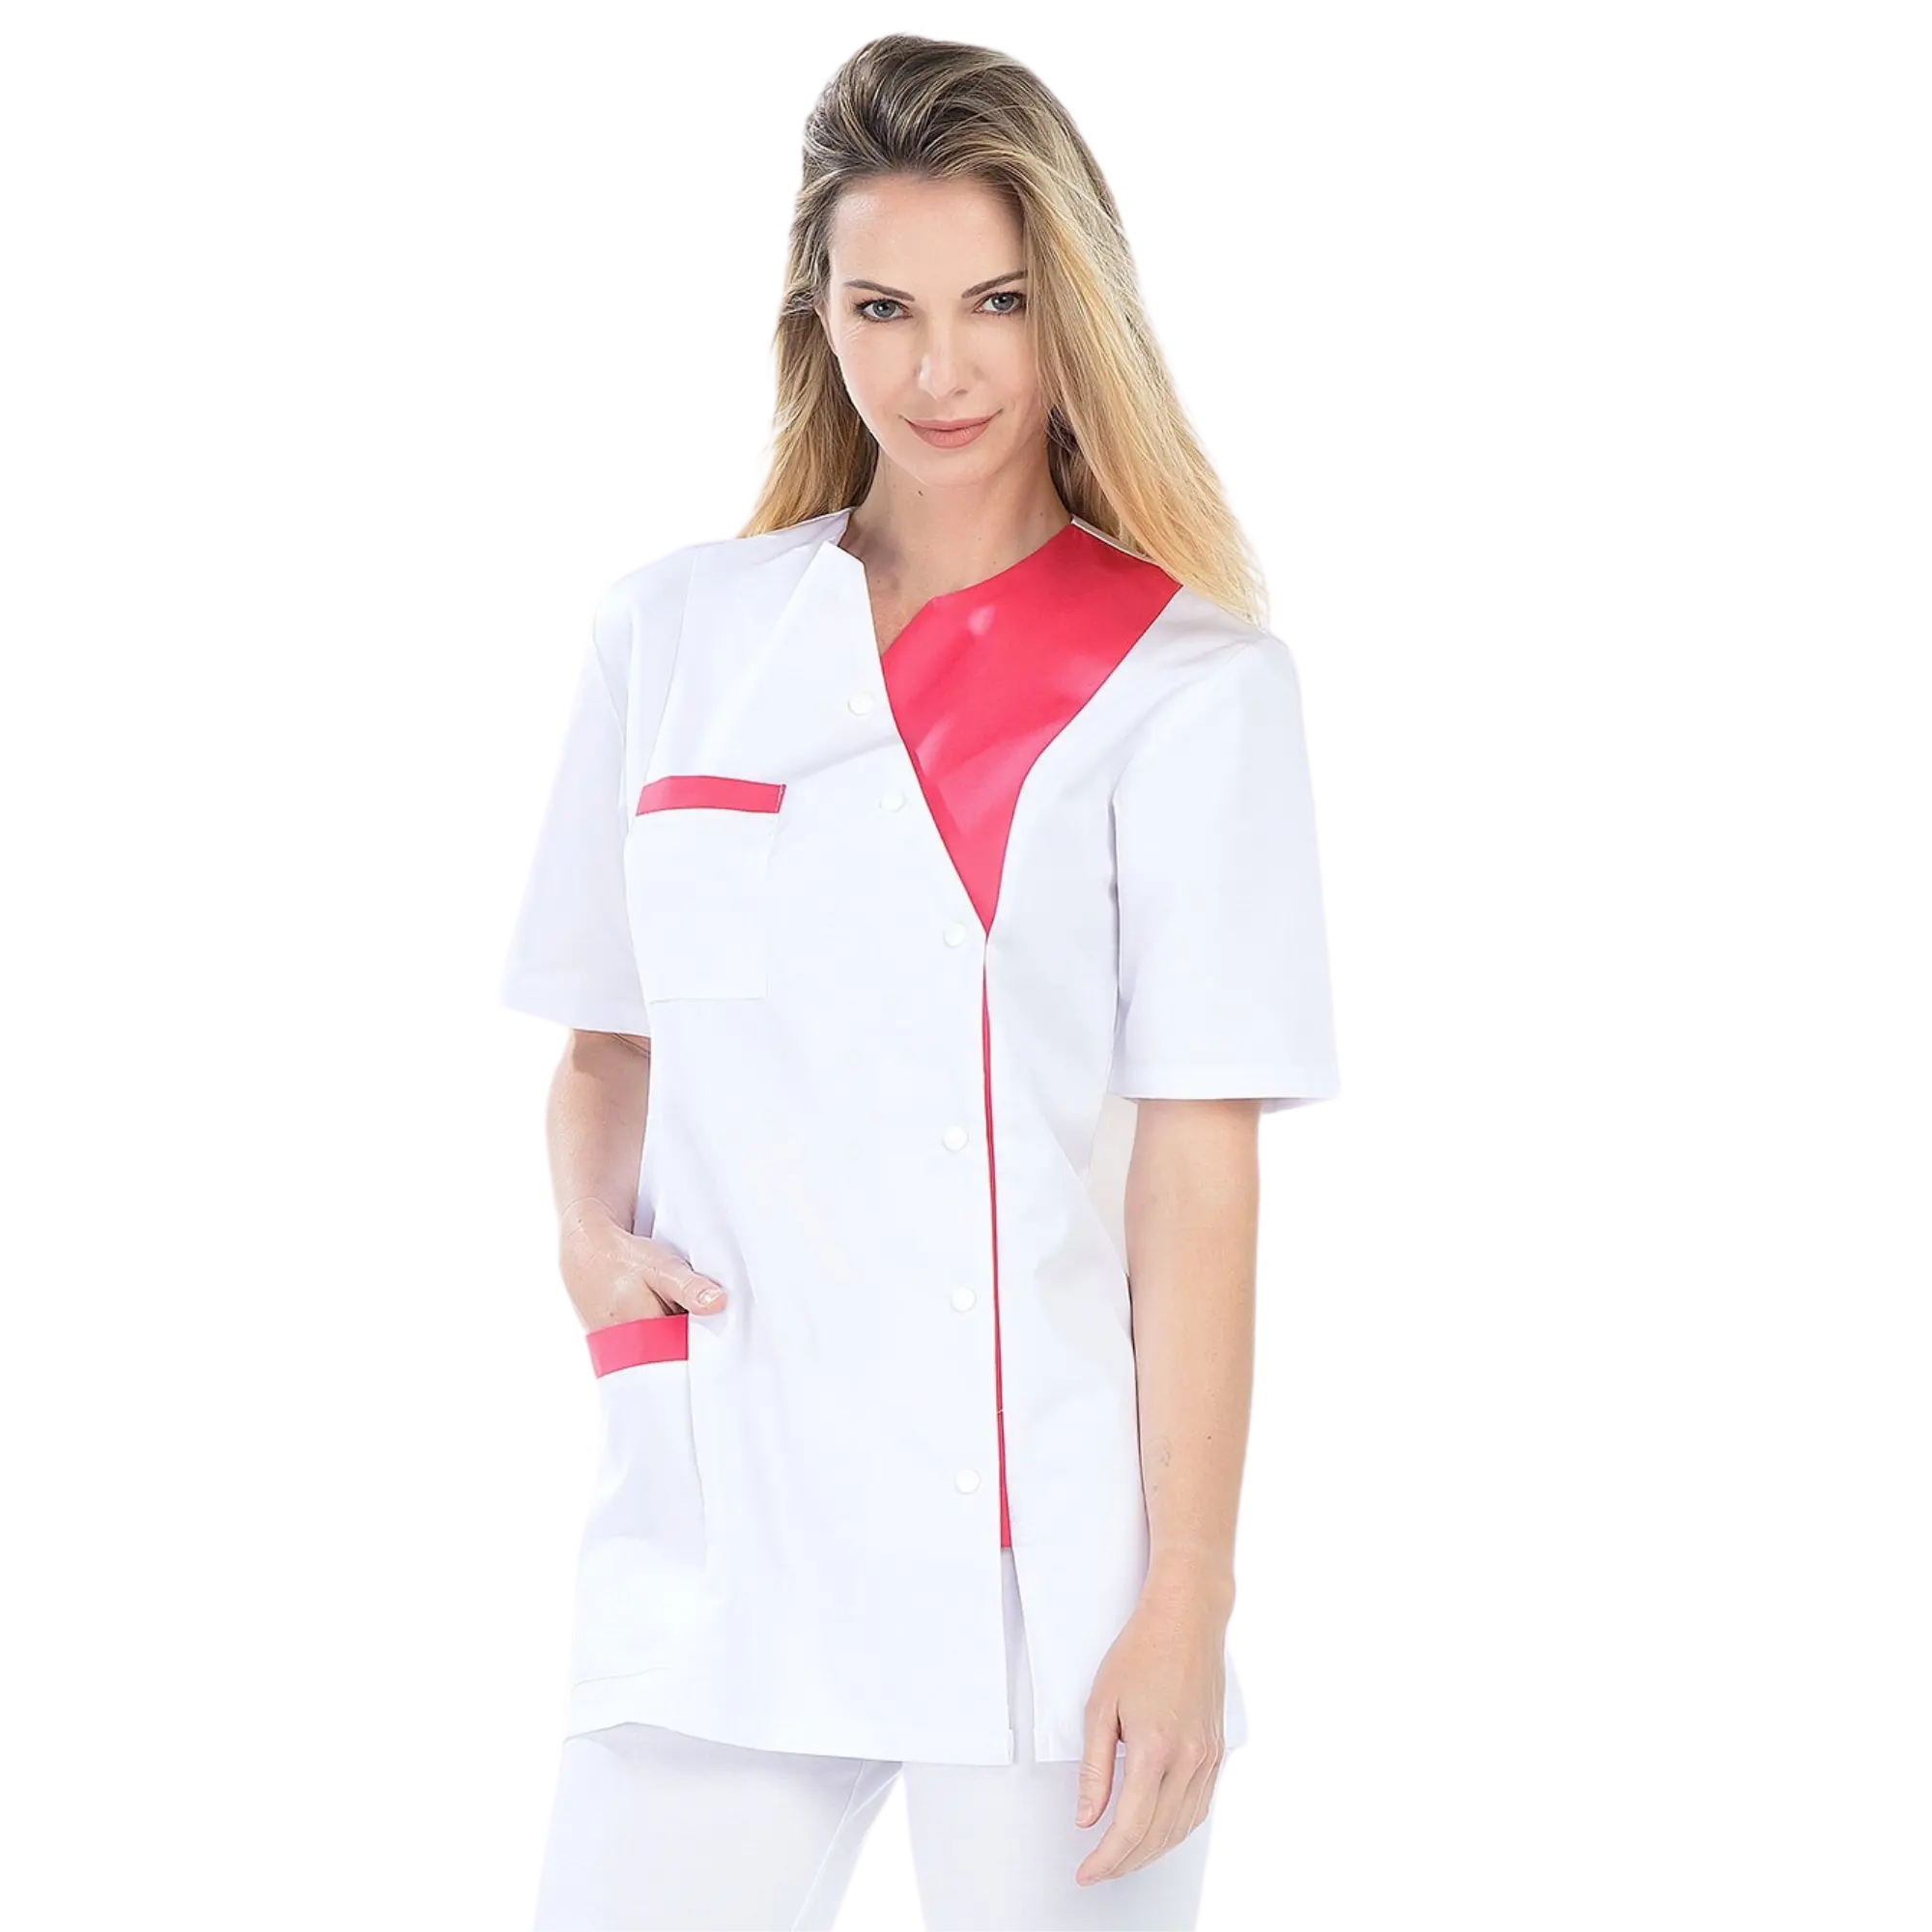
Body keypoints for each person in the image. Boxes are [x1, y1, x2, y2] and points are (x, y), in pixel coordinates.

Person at [496, 31, 1342, 1930]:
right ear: (818, 316)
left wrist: (1187, 1596)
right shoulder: (670, 633)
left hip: (1047, 1573)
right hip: (725, 1518)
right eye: (884, 308)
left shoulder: (1196, 686)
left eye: (994, 304)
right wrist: (582, 1234)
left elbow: (1197, 1175)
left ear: (1071, 314)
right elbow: (604, 1029)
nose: (939, 371)